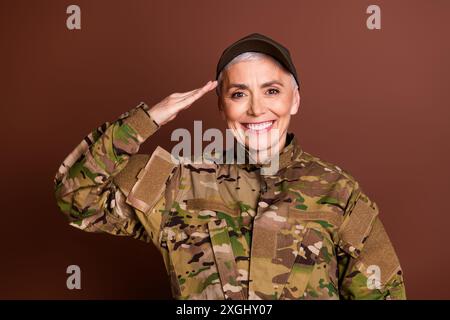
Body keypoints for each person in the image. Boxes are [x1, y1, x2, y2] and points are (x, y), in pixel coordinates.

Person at [54, 33, 406, 300]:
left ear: (294, 99)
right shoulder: (176, 182)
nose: (255, 109)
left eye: (271, 91)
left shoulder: (337, 190)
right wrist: (148, 119)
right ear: (221, 105)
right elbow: (76, 195)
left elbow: (383, 291)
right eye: (239, 94)